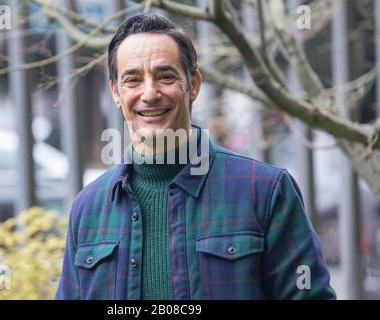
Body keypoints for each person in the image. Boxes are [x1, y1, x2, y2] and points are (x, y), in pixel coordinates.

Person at [55, 13, 336, 300]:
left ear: (193, 85)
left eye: (166, 77)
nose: (150, 93)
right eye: (133, 80)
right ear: (116, 92)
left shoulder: (264, 190)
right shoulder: (88, 208)